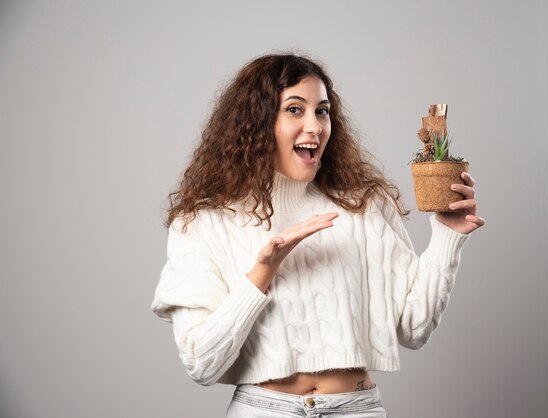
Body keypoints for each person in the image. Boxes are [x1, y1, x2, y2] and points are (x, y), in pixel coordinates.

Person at [151, 53, 485, 417]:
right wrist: (262, 273)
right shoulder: (204, 222)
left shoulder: (364, 207)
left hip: (355, 409)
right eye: (295, 110)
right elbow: (201, 363)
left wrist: (446, 238)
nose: (315, 127)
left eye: (322, 111)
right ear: (256, 122)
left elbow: (413, 329)